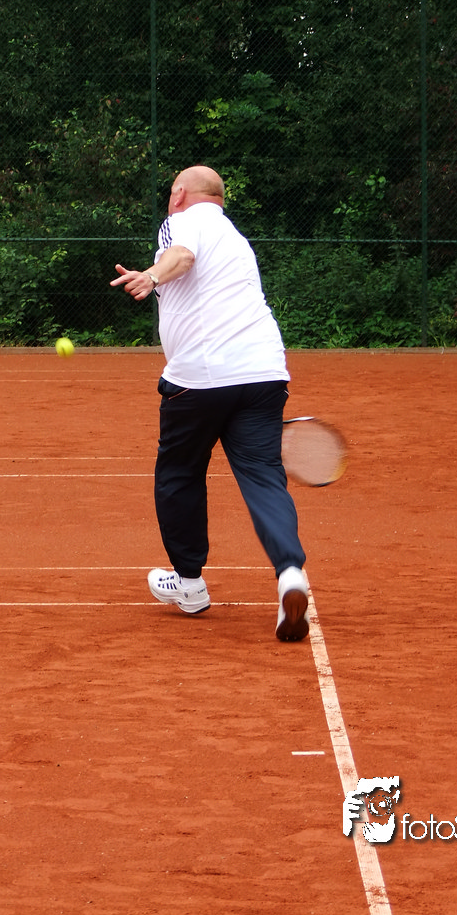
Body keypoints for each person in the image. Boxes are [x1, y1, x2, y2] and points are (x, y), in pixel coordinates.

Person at [110, 164, 309, 642]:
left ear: (180, 193)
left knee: (179, 473)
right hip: (264, 372)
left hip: (199, 378)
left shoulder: (181, 221)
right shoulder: (236, 239)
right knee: (264, 477)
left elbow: (181, 256)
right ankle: (290, 573)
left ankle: (190, 583)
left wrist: (150, 276)